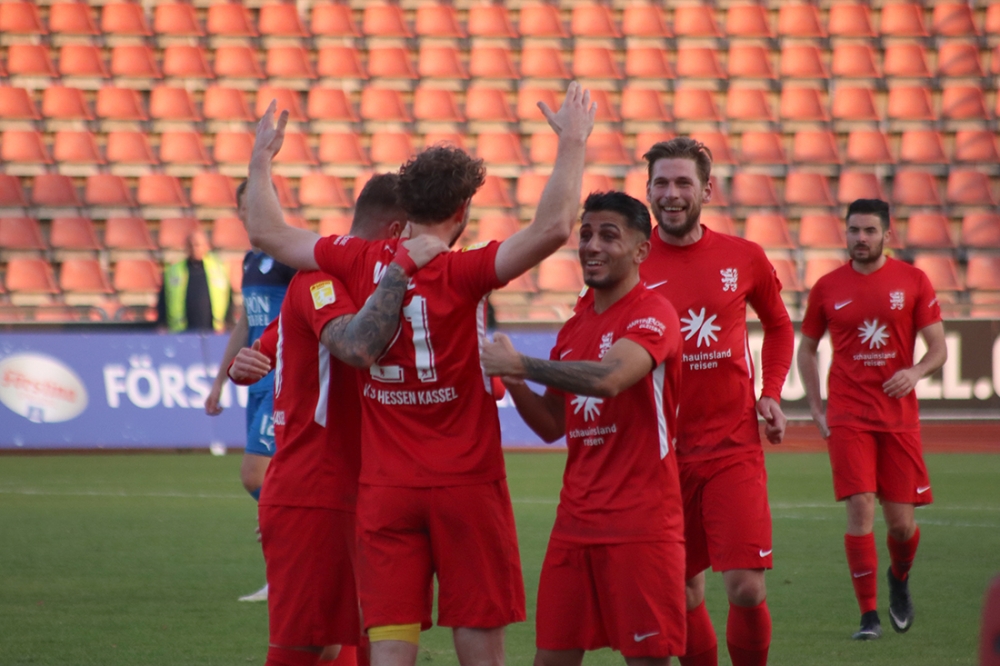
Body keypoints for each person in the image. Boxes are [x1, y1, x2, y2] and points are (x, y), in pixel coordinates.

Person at [241, 84, 595, 666]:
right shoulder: (469, 272)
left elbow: (267, 233)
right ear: (462, 213)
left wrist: (260, 161)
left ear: (403, 212)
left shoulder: (356, 259)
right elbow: (554, 227)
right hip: (467, 483)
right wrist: (573, 142)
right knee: (478, 634)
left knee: (389, 643)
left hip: (387, 490)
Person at [228, 173, 447, 666]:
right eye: (417, 233)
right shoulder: (320, 280)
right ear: (398, 232)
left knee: (361, 635)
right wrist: (245, 364)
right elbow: (346, 348)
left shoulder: (383, 288)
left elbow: (268, 347)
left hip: (368, 490)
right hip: (317, 491)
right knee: (308, 643)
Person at [480, 191, 686, 666]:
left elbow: (610, 379)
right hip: (574, 525)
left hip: (641, 525)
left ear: (641, 250)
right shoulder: (573, 329)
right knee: (550, 658)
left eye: (608, 236)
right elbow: (552, 425)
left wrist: (522, 364)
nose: (592, 246)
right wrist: (516, 382)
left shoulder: (654, 312)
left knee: (648, 659)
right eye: (586, 234)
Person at [640, 138, 795, 666]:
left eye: (683, 182)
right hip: (662, 456)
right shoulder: (628, 262)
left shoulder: (743, 256)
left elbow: (779, 325)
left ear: (706, 190)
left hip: (733, 446)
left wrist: (770, 393)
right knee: (683, 591)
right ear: (648, 190)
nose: (671, 193)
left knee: (746, 587)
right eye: (661, 182)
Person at [797, 198, 947, 641]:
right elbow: (807, 349)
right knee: (860, 506)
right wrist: (816, 406)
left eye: (869, 231)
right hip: (848, 414)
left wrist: (915, 372)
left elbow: (938, 348)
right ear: (845, 233)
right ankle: (868, 617)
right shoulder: (827, 287)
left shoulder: (913, 281)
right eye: (854, 230)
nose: (860, 238)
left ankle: (899, 578)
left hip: (898, 417)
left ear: (887, 235)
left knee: (901, 524)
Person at [205, 180, 296, 602]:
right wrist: (220, 379)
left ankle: (298, 549)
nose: (251, 213)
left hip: (281, 380)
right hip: (254, 382)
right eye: (246, 207)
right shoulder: (250, 260)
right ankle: (285, 570)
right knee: (269, 480)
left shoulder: (290, 257)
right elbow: (246, 322)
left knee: (254, 476)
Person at [157, 227, 230, 332]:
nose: (194, 248)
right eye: (191, 245)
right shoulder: (174, 271)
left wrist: (227, 322)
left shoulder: (219, 270)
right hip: (181, 331)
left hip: (212, 330)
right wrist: (162, 323)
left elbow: (228, 297)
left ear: (206, 246)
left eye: (198, 245)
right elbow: (164, 298)